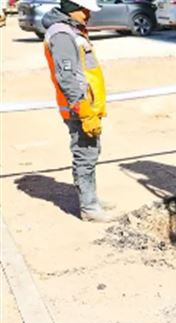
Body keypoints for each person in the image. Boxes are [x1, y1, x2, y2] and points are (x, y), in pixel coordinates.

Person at [43, 0, 113, 222]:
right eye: (86, 11)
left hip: (86, 105)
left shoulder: (71, 30)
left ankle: (92, 199)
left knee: (91, 152)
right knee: (84, 154)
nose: (88, 15)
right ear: (73, 8)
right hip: (78, 108)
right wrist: (84, 111)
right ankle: (89, 208)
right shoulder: (62, 35)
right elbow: (67, 78)